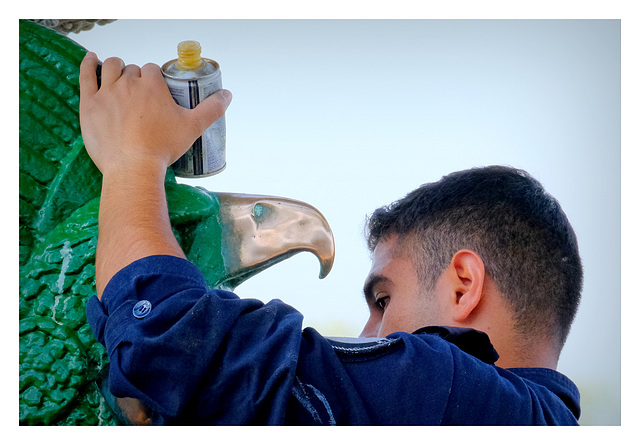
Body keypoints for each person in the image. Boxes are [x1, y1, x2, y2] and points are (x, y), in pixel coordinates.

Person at [79, 52, 583, 425]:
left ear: (463, 286)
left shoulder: (453, 395)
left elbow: (169, 348)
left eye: (384, 300)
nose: (370, 335)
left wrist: (133, 161)